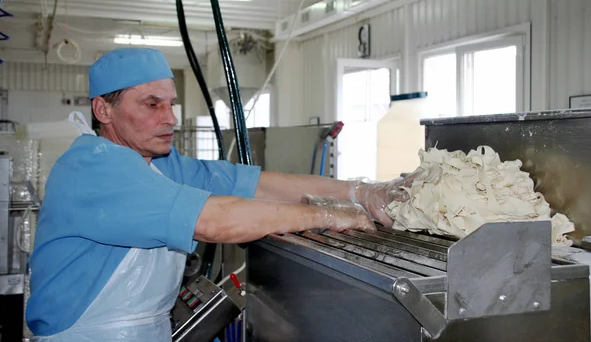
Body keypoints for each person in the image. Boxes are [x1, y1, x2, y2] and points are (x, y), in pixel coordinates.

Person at [25, 48, 414, 341]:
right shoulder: (93, 168)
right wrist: (327, 215)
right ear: (103, 110)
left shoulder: (158, 163)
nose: (171, 118)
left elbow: (256, 185)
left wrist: (362, 191)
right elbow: (215, 220)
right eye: (152, 104)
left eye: (171, 104)